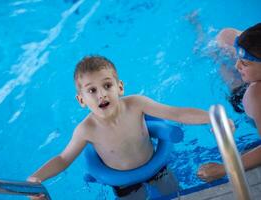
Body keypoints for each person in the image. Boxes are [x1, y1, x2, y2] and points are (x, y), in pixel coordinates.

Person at [27, 55, 212, 199]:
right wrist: (36, 178)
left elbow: (176, 113)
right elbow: (63, 159)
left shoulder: (136, 104)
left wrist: (212, 118)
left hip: (156, 169)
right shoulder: (86, 130)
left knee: (177, 195)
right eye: (92, 90)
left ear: (120, 87)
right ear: (81, 100)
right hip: (123, 184)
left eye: (107, 85)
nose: (102, 95)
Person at [198, 23, 261, 182]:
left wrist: (223, 169)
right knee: (226, 36)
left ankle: (209, 50)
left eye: (244, 63)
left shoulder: (256, 95)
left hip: (243, 96)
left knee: (227, 70)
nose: (236, 64)